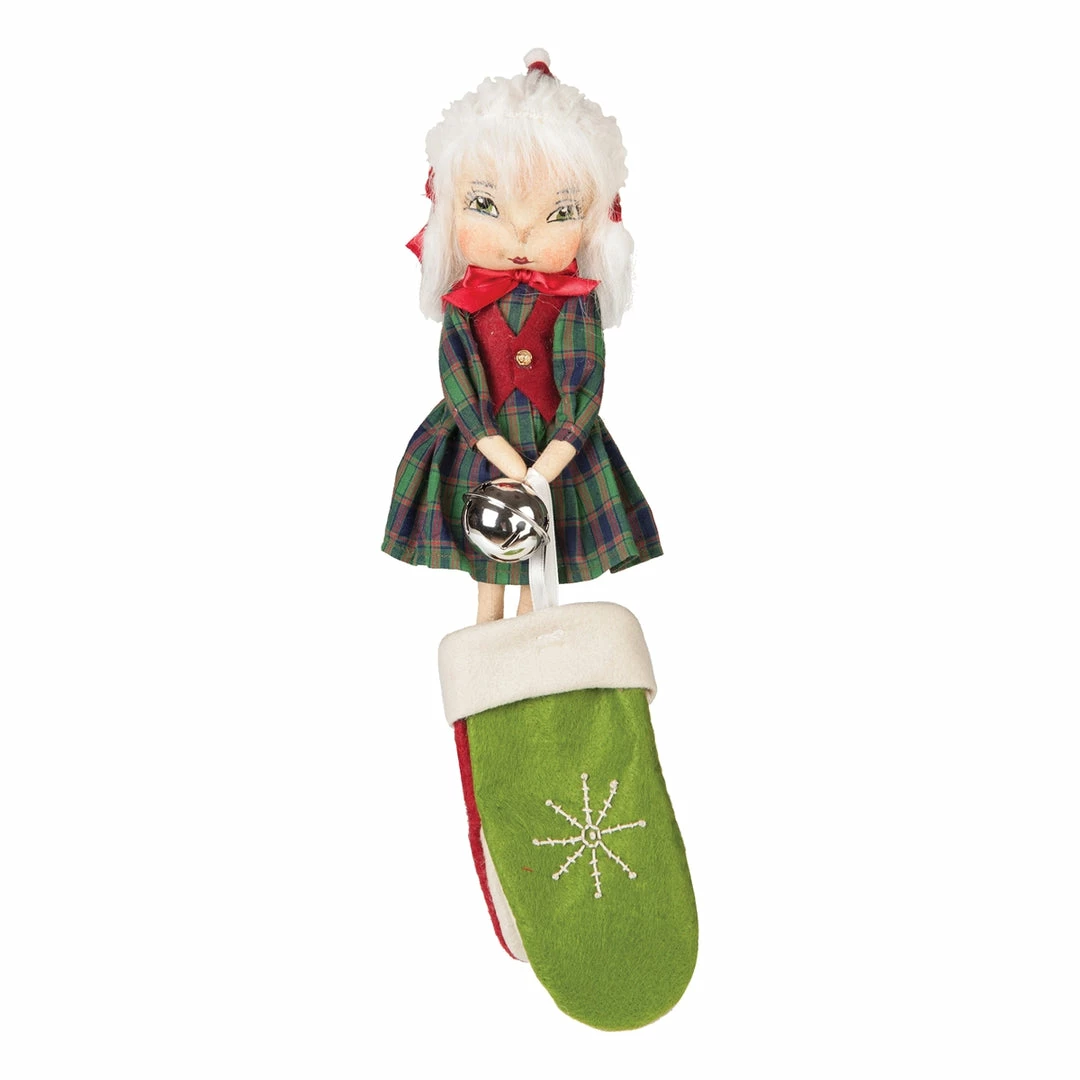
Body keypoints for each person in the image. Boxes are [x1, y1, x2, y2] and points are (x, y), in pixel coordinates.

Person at [382, 50, 661, 624]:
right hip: (479, 445)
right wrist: (502, 456)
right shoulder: (465, 299)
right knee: (488, 569)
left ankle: (532, 653)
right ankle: (484, 654)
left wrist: (546, 466)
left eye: (559, 212)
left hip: (558, 449)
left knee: (542, 566)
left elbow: (584, 383)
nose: (520, 236)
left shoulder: (575, 300)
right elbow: (458, 380)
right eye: (485, 205)